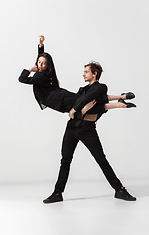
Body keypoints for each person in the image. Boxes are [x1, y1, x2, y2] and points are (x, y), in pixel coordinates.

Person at [42, 62, 137, 204]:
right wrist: (81, 109)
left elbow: (93, 104)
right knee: (65, 161)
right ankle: (57, 193)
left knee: (101, 159)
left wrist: (78, 109)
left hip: (87, 129)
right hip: (72, 127)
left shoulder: (100, 87)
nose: (83, 74)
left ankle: (119, 189)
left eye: (86, 71)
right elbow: (76, 109)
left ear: (95, 74)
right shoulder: (81, 90)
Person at [19, 35, 136, 122]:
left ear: (47, 65)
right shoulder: (45, 72)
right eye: (39, 62)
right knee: (87, 104)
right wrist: (41, 45)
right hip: (59, 98)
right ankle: (121, 98)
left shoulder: (40, 77)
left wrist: (29, 70)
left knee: (88, 103)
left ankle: (121, 102)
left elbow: (22, 79)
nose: (40, 65)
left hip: (59, 99)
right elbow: (41, 59)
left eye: (43, 63)